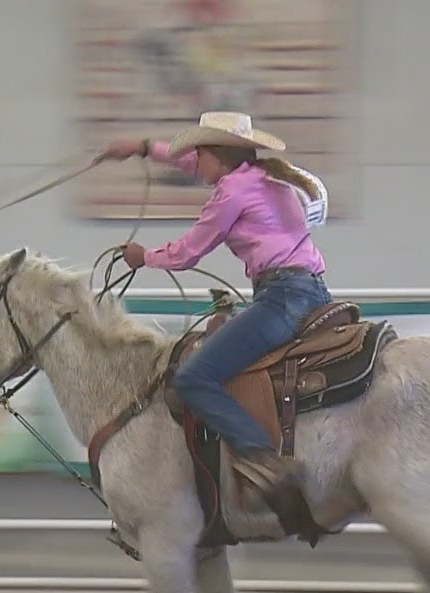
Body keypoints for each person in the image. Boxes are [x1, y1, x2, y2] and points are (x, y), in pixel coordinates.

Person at [101, 111, 333, 535]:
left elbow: (189, 252)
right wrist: (142, 148)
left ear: (215, 154)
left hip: (281, 298)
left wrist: (143, 257)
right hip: (311, 290)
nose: (193, 161)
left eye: (198, 153)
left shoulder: (230, 194)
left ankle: (262, 460)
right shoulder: (263, 178)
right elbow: (192, 166)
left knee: (195, 378)